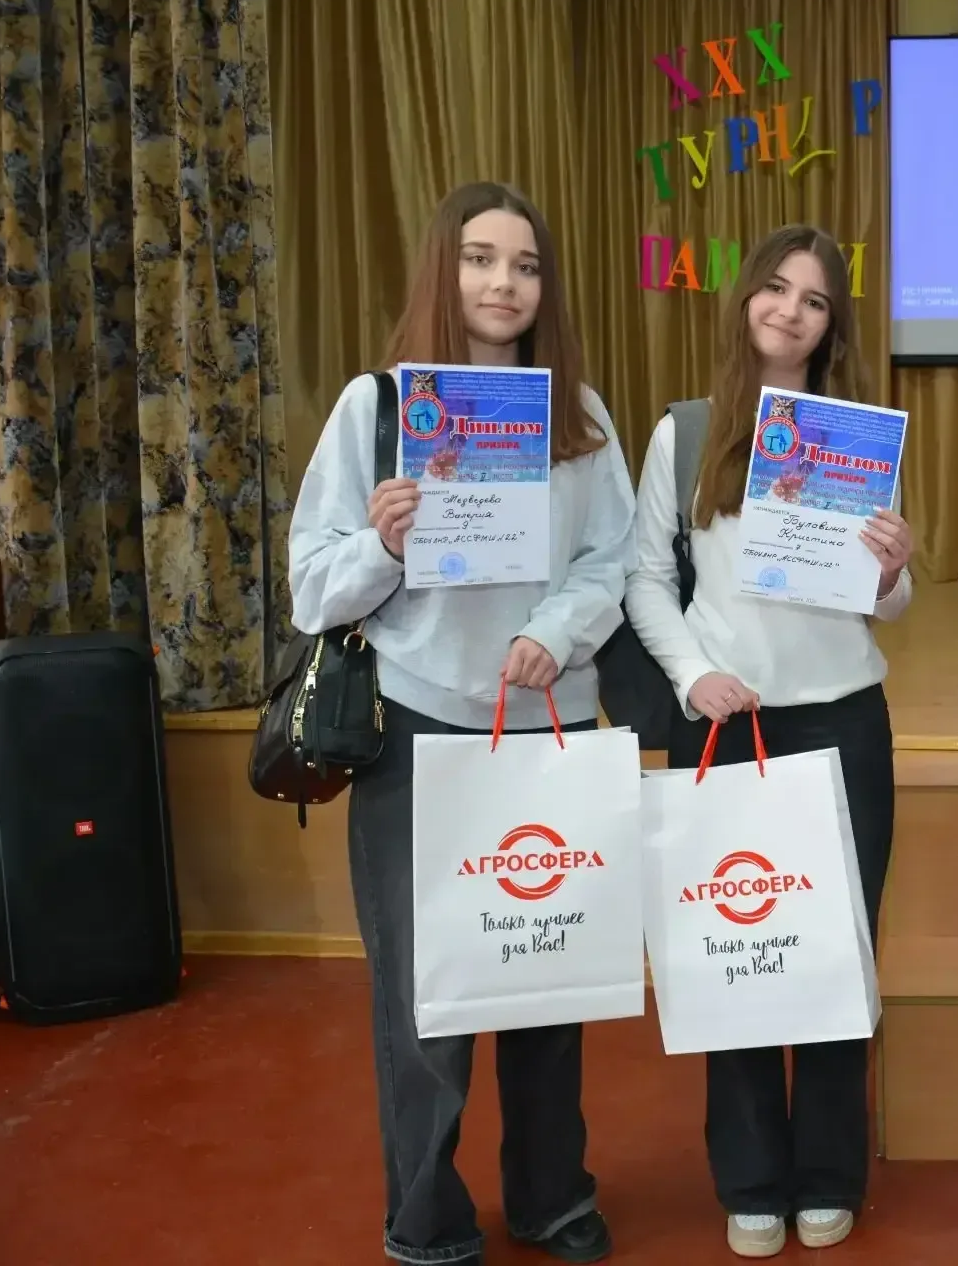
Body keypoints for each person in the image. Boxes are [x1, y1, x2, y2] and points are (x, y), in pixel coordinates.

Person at [290, 181, 637, 1266]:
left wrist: (555, 631)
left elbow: (613, 561)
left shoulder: (581, 419)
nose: (503, 283)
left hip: (547, 725)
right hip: (417, 727)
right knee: (423, 995)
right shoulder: (378, 408)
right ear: (444, 271)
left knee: (546, 972)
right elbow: (311, 586)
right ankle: (427, 1219)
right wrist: (383, 545)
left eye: (525, 266)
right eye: (481, 259)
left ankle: (551, 1194)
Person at [623, 223, 912, 1259]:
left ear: (834, 326)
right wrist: (691, 675)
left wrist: (892, 570)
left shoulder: (855, 438)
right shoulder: (686, 432)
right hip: (727, 727)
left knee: (836, 952)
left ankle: (830, 1171)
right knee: (735, 955)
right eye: (777, 289)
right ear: (745, 297)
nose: (792, 310)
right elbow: (645, 579)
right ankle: (749, 1177)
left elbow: (891, 604)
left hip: (843, 722)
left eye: (816, 299)